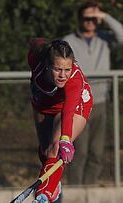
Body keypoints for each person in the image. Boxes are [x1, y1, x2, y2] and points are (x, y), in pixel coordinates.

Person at [63, 0, 123, 185]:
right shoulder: (68, 41)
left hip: (101, 102)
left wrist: (105, 16)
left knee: (96, 152)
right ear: (79, 19)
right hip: (77, 104)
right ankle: (76, 192)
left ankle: (90, 189)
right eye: (86, 18)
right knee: (79, 151)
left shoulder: (105, 38)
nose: (90, 21)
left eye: (94, 18)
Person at [27, 39, 93, 203]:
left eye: (67, 69)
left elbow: (68, 112)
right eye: (57, 69)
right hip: (43, 104)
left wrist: (65, 140)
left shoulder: (74, 81)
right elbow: (35, 42)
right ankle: (54, 187)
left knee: (55, 147)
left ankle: (43, 196)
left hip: (75, 105)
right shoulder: (37, 58)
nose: (63, 75)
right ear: (48, 65)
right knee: (45, 152)